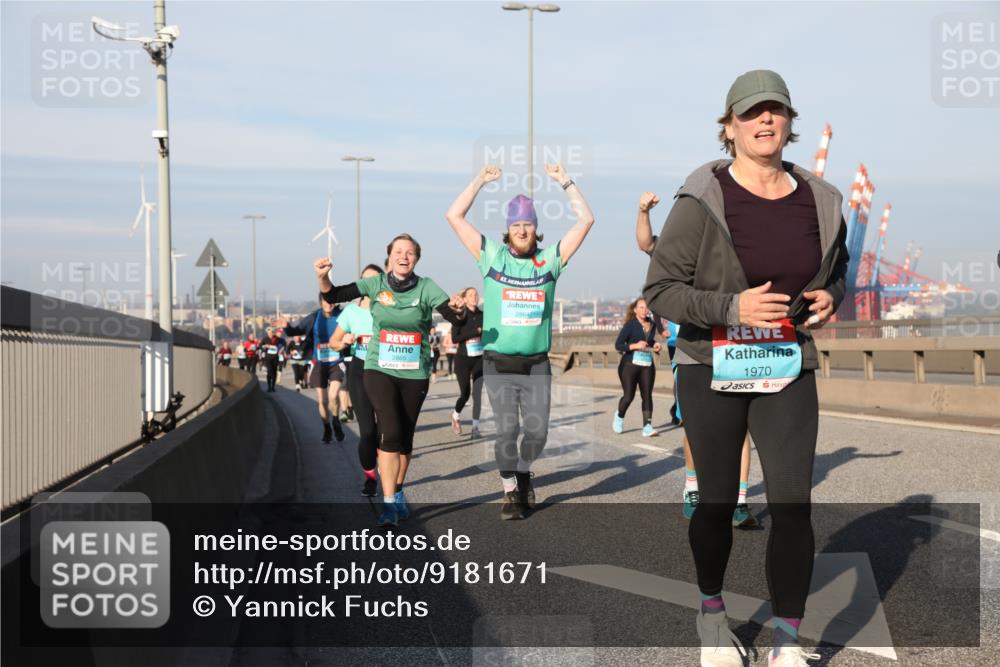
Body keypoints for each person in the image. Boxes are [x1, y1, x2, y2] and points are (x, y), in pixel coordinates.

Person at [643, 70, 848, 667]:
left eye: (776, 112)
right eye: (752, 113)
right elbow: (661, 290)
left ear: (789, 123)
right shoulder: (700, 198)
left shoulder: (821, 198)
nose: (766, 121)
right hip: (711, 364)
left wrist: (831, 293)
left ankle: (786, 641)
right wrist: (732, 307)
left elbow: (836, 269)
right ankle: (712, 615)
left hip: (786, 363)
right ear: (728, 127)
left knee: (791, 505)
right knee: (717, 501)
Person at [446, 162, 596, 521]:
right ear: (508, 230)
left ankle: (525, 470)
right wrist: (480, 180)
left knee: (537, 433)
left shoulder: (548, 262)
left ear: (536, 229)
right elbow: (454, 215)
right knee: (507, 430)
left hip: (536, 363)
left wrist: (566, 182)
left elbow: (586, 221)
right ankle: (510, 491)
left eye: (528, 224)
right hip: (498, 361)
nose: (522, 230)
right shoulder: (491, 257)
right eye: (516, 225)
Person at [316, 234, 468, 527]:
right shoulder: (375, 284)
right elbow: (334, 295)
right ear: (389, 257)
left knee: (405, 439)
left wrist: (460, 308)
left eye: (410, 252)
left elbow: (456, 319)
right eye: (398, 251)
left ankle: (397, 490)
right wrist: (323, 278)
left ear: (416, 259)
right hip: (378, 369)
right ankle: (388, 506)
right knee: (390, 432)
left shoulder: (427, 287)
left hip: (414, 373)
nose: (404, 256)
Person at [637, 190, 760, 529]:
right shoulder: (676, 251)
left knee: (742, 427)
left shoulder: (730, 248)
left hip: (733, 346)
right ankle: (693, 488)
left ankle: (739, 501)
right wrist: (643, 211)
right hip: (690, 349)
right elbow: (645, 242)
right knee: (696, 425)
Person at [330, 263, 384, 497]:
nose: (370, 286)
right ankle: (371, 478)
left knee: (386, 433)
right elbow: (334, 342)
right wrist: (344, 342)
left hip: (387, 371)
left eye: (376, 280)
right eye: (366, 281)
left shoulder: (388, 310)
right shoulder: (351, 312)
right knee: (368, 432)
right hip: (359, 370)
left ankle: (389, 472)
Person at [275, 298, 346, 444]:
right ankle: (327, 427)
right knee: (323, 401)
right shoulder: (314, 317)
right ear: (321, 303)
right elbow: (296, 330)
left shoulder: (342, 315)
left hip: (336, 362)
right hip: (319, 363)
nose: (329, 304)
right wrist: (287, 327)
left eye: (332, 300)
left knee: (333, 396)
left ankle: (336, 420)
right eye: (326, 301)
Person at [612, 298, 662, 437]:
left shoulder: (651, 324)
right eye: (641, 307)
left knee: (647, 395)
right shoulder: (630, 325)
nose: (644, 310)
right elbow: (618, 345)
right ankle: (619, 416)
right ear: (635, 310)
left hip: (647, 365)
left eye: (646, 308)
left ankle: (647, 427)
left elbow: (649, 341)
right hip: (629, 365)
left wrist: (655, 345)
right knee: (629, 396)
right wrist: (635, 345)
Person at [449, 287, 485, 438]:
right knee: (465, 393)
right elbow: (455, 338)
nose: (474, 297)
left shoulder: (483, 315)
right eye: (471, 295)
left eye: (476, 294)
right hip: (463, 358)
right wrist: (475, 332)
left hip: (479, 358)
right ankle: (456, 416)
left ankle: (475, 428)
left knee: (477, 394)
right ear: (464, 298)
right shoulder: (460, 315)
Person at [260, 328, 286, 392]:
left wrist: (280, 350)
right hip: (268, 357)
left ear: (273, 333)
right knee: (269, 371)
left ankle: (273, 386)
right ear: (267, 333)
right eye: (269, 333)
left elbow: (284, 344)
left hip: (275, 357)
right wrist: (265, 346)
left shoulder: (277, 338)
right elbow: (260, 346)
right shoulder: (265, 339)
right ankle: (269, 386)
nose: (270, 334)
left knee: (274, 372)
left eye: (271, 332)